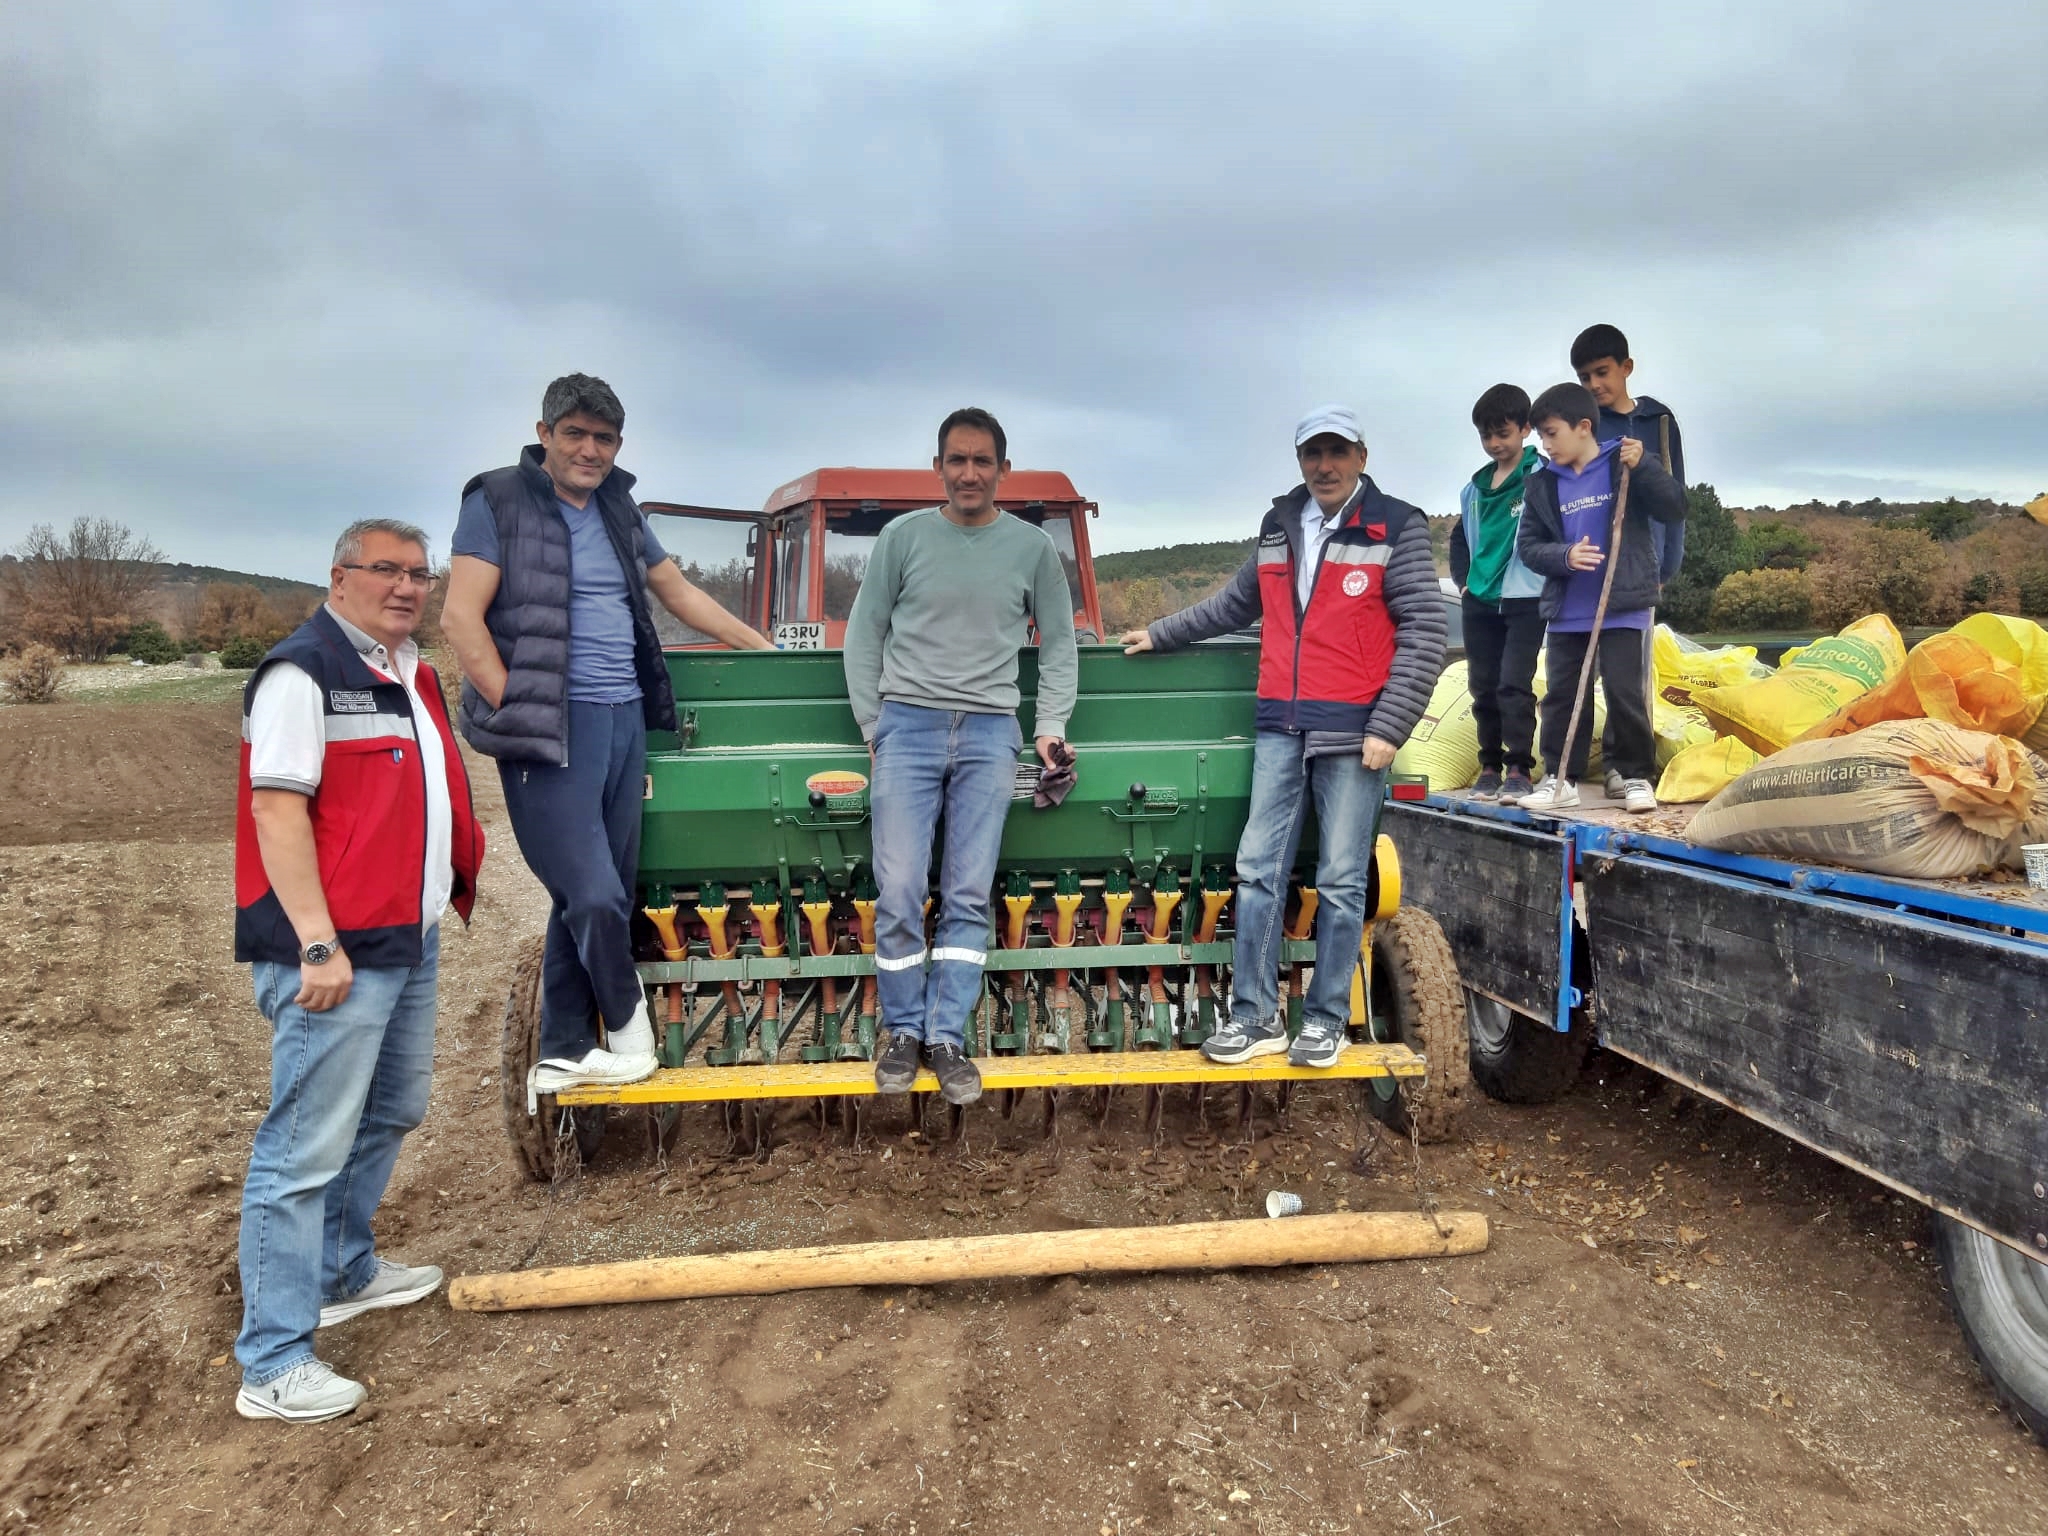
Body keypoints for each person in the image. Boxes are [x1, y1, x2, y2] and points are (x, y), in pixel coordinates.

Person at [441, 374, 771, 1100]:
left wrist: (768, 654)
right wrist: (518, 703)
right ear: (544, 434)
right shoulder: (494, 499)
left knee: (594, 891)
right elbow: (461, 619)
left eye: (604, 439)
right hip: (549, 725)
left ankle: (562, 1049)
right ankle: (631, 1036)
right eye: (576, 435)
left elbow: (678, 594)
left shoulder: (620, 507)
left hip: (623, 718)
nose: (590, 450)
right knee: (592, 893)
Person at [232, 519, 485, 1422]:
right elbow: (276, 811)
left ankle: (344, 1271)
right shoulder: (305, 673)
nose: (408, 587)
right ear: (339, 577)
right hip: (336, 954)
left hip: (402, 940)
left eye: (420, 574)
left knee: (393, 1108)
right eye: (387, 571)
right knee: (301, 1152)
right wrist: (314, 943)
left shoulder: (405, 670)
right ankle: (271, 1362)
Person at [1122, 406, 1445, 1068]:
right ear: (1300, 461)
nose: (1323, 466)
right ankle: (1255, 1017)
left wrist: (1390, 724)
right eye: (1311, 454)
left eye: (1336, 452)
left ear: (1360, 455)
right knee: (1257, 869)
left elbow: (1424, 630)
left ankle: (1324, 1019)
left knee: (1339, 876)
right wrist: (1160, 633)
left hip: (1355, 732)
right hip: (1279, 725)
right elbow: (1234, 604)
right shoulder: (1279, 526)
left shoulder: (1397, 526)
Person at [845, 407, 1079, 1105]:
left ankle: (947, 1038)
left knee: (970, 893)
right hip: (908, 728)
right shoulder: (902, 539)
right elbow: (866, 634)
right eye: (957, 460)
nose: (969, 472)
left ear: (1002, 469)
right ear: (938, 466)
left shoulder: (1033, 548)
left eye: (983, 461)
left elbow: (1059, 644)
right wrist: (873, 723)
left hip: (988, 732)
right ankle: (903, 1033)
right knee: (898, 890)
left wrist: (1050, 724)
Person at [1514, 382, 1688, 813]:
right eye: (1542, 436)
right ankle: (1560, 778)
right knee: (1563, 698)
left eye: (1551, 433)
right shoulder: (1541, 485)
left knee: (1626, 694)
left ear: (1583, 427)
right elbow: (1529, 547)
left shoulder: (1623, 464)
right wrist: (1566, 555)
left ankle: (1634, 777)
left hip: (1623, 604)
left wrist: (1645, 466)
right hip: (1568, 613)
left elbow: (1674, 508)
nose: (1545, 444)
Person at [1572, 323, 1689, 800]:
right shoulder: (1583, 423)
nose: (1593, 385)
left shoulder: (1658, 422)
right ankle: (1569, 769)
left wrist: (1667, 565)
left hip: (1640, 569)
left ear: (1626, 368)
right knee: (1576, 671)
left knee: (1630, 676)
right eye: (1584, 377)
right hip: (1586, 566)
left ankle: (1627, 767)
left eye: (1601, 373)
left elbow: (1674, 496)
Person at [1449, 383, 1545, 804]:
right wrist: (1463, 581)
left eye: (1503, 434)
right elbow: (1459, 540)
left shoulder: (1543, 478)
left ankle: (1520, 767)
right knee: (1483, 685)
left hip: (1525, 599)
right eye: (1486, 436)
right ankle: (1488, 764)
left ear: (1525, 429)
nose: (1494, 444)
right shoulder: (1472, 490)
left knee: (1513, 685)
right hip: (1480, 599)